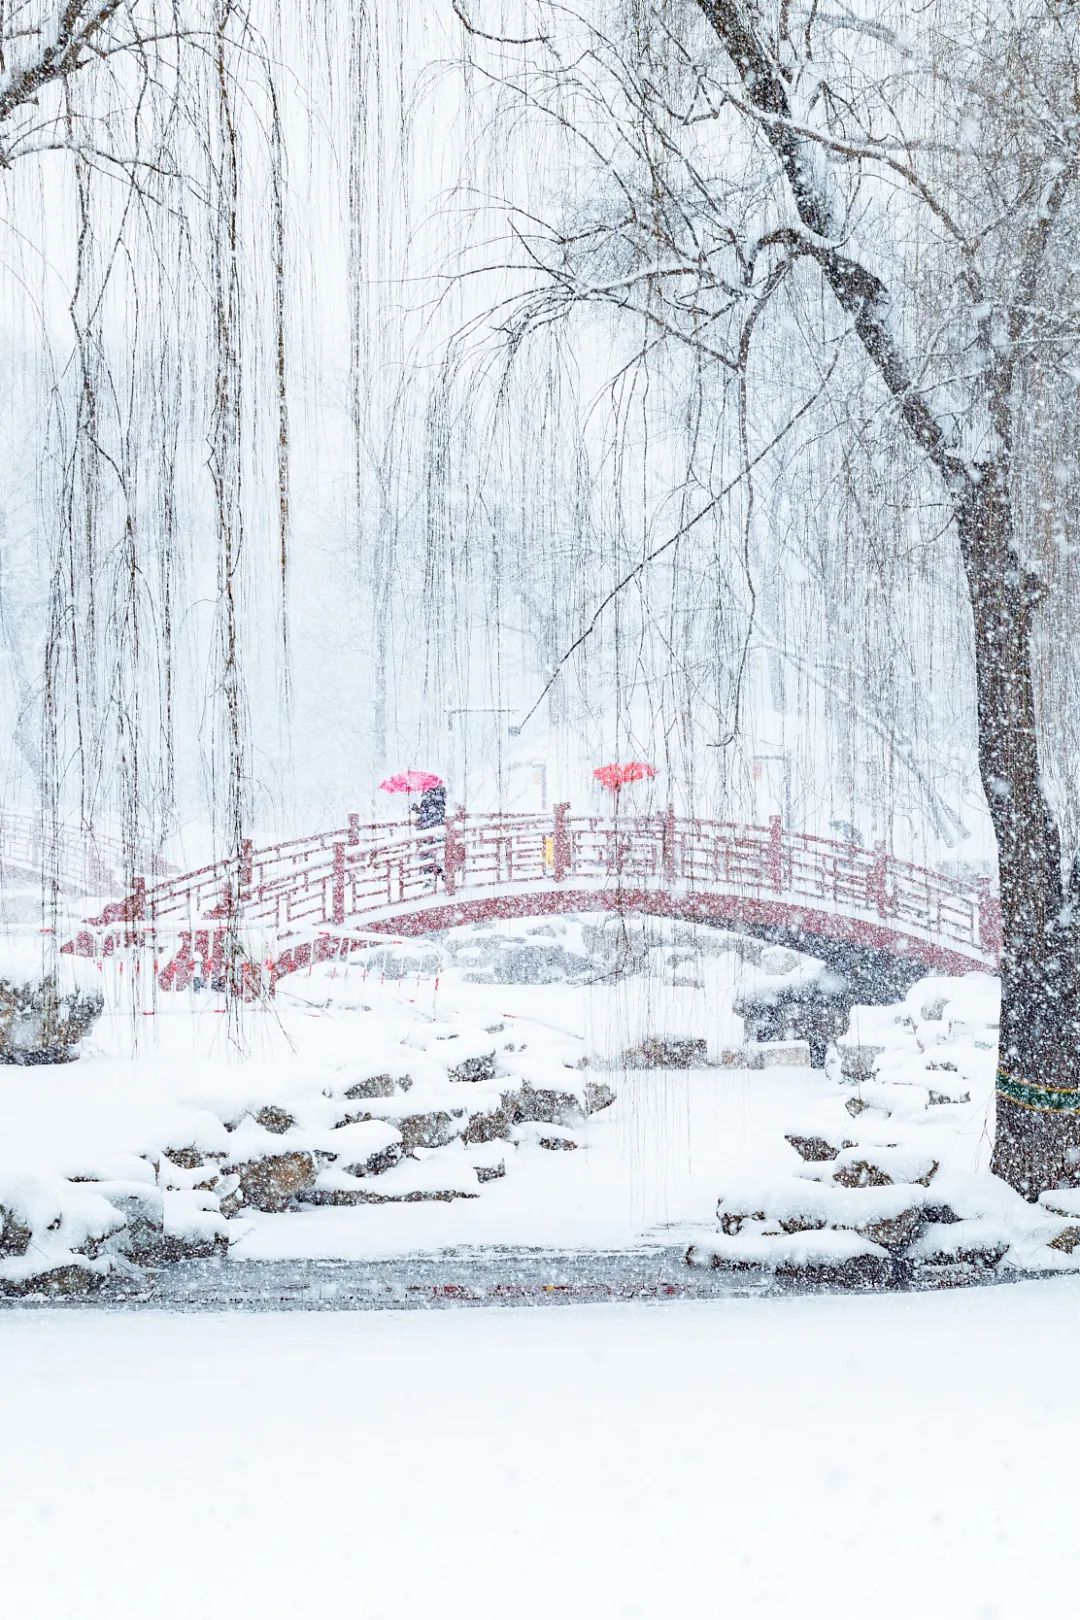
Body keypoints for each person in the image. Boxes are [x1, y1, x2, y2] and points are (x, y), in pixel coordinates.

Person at [411, 784, 446, 883]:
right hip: (435, 833)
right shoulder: (438, 799)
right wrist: (418, 810)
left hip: (433, 833)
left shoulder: (432, 800)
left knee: (428, 855)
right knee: (430, 855)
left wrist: (419, 812)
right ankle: (436, 874)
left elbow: (428, 815)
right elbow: (428, 814)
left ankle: (431, 877)